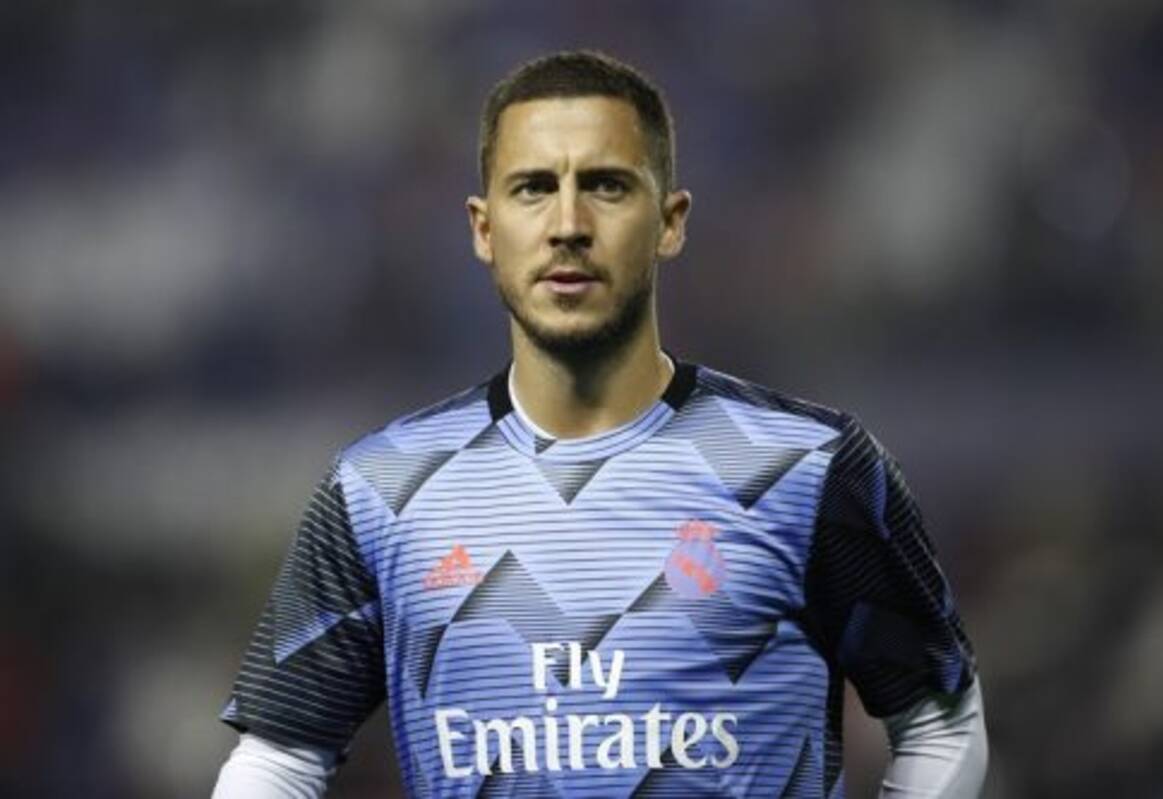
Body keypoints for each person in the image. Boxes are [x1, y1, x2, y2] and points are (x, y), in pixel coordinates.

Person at [213, 50, 987, 798]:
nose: (568, 224)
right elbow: (278, 756)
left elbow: (941, 721)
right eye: (532, 188)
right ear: (483, 228)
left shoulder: (810, 467)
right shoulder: (381, 489)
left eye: (607, 186)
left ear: (670, 221)